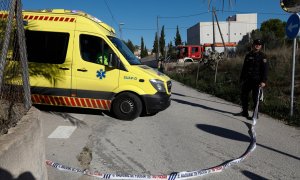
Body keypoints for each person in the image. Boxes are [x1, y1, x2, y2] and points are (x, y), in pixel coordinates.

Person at [237, 39, 268, 118]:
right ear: (253, 45)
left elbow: (265, 70)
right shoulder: (248, 55)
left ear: (261, 46)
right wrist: (241, 79)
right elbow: (244, 68)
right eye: (256, 44)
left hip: (257, 81)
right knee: (244, 96)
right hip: (247, 79)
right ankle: (244, 112)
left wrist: (263, 81)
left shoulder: (263, 56)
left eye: (259, 44)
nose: (257, 45)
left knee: (256, 98)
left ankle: (255, 115)